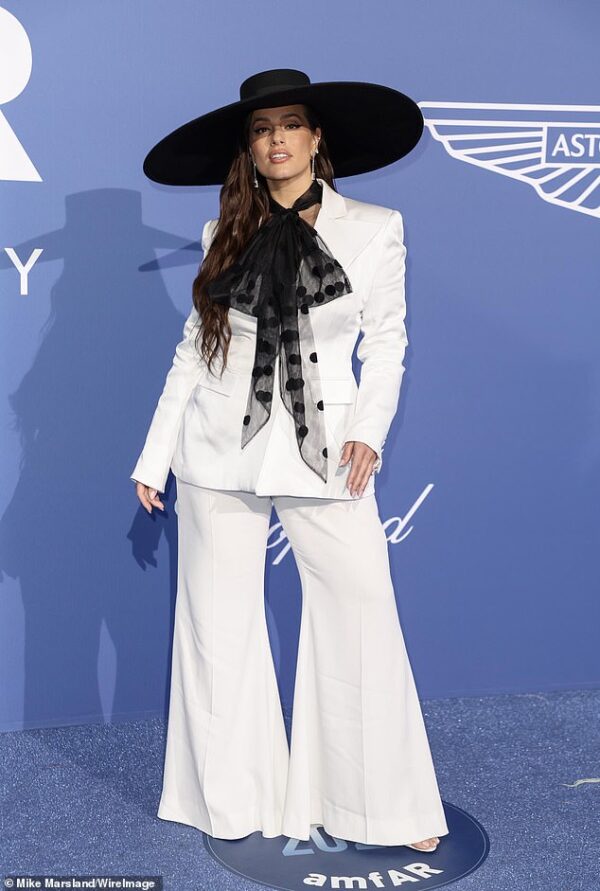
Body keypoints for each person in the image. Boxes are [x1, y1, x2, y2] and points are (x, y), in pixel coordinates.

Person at [131, 68, 449, 851]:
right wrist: (154, 454)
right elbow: (193, 354)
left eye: (289, 124)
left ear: (316, 138)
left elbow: (390, 341)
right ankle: (232, 802)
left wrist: (370, 430)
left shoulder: (376, 226)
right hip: (215, 452)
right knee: (217, 626)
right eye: (260, 128)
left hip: (329, 452)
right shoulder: (221, 232)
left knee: (361, 617)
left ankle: (385, 809)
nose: (275, 139)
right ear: (250, 147)